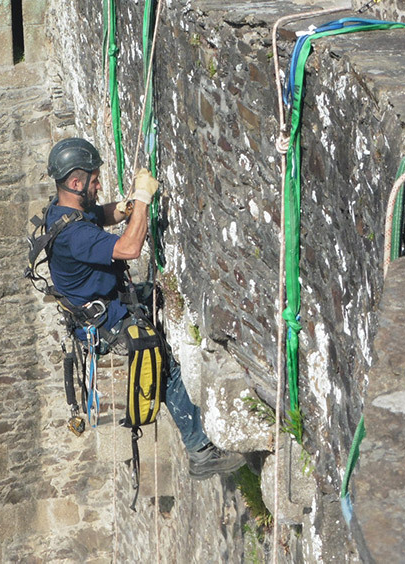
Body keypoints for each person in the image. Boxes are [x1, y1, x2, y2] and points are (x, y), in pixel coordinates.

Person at [44, 137, 244, 479]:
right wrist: (143, 199)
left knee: (160, 299)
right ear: (75, 183)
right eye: (93, 180)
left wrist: (122, 209)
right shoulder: (73, 236)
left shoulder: (63, 212)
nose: (98, 184)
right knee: (159, 363)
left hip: (107, 303)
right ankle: (200, 451)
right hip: (106, 318)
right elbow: (129, 247)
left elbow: (98, 214)